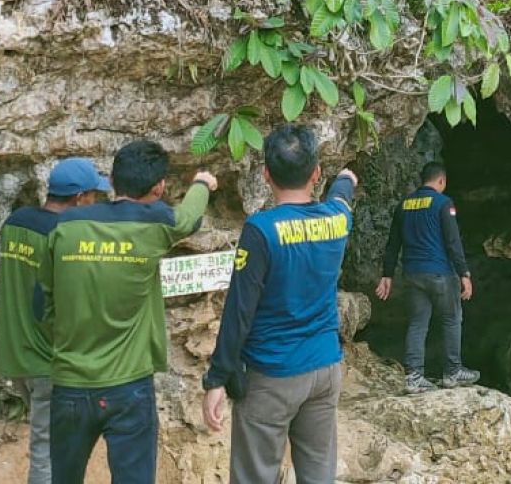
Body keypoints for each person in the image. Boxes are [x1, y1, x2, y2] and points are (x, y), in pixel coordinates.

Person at [40, 139, 218, 484]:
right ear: (159, 187)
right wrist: (202, 184)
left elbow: (42, 302)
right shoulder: (154, 225)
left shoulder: (65, 227)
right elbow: (188, 217)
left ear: (110, 180)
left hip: (70, 384)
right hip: (128, 388)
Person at [201, 124, 357, 484]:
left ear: (266, 174)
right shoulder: (337, 220)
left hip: (272, 374)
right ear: (316, 173)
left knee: (256, 474)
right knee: (319, 473)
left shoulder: (261, 230)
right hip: (324, 369)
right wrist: (345, 177)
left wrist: (216, 379)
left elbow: (239, 311)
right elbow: (341, 193)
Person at [0, 158, 111, 484]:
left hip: (13, 353)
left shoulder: (14, 223)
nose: (94, 203)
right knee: (48, 448)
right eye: (93, 197)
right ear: (79, 198)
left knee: (48, 438)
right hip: (48, 360)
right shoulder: (63, 236)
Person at [375, 161, 479, 393]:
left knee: (417, 323)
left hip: (412, 274)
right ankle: (452, 372)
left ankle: (414, 377)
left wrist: (387, 274)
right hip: (440, 272)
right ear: (441, 181)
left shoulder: (404, 205)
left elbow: (393, 244)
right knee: (452, 318)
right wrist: (464, 273)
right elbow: (453, 242)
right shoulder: (444, 203)